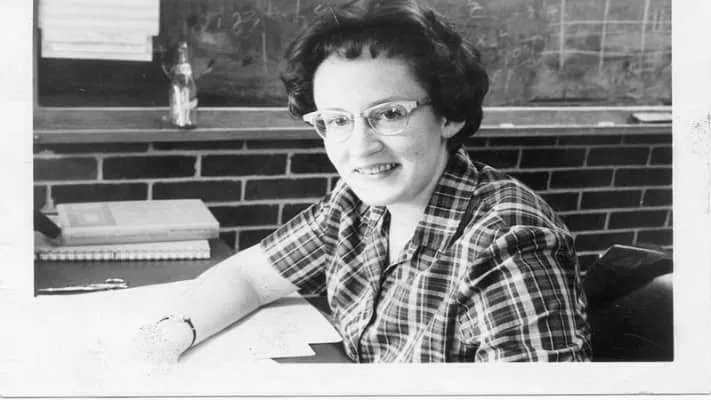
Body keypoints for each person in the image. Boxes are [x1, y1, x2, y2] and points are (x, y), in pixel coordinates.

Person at [136, 0, 591, 363]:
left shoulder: (508, 245)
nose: (360, 148)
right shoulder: (356, 205)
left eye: (389, 114)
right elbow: (250, 276)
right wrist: (168, 339)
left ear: (449, 115)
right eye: (337, 120)